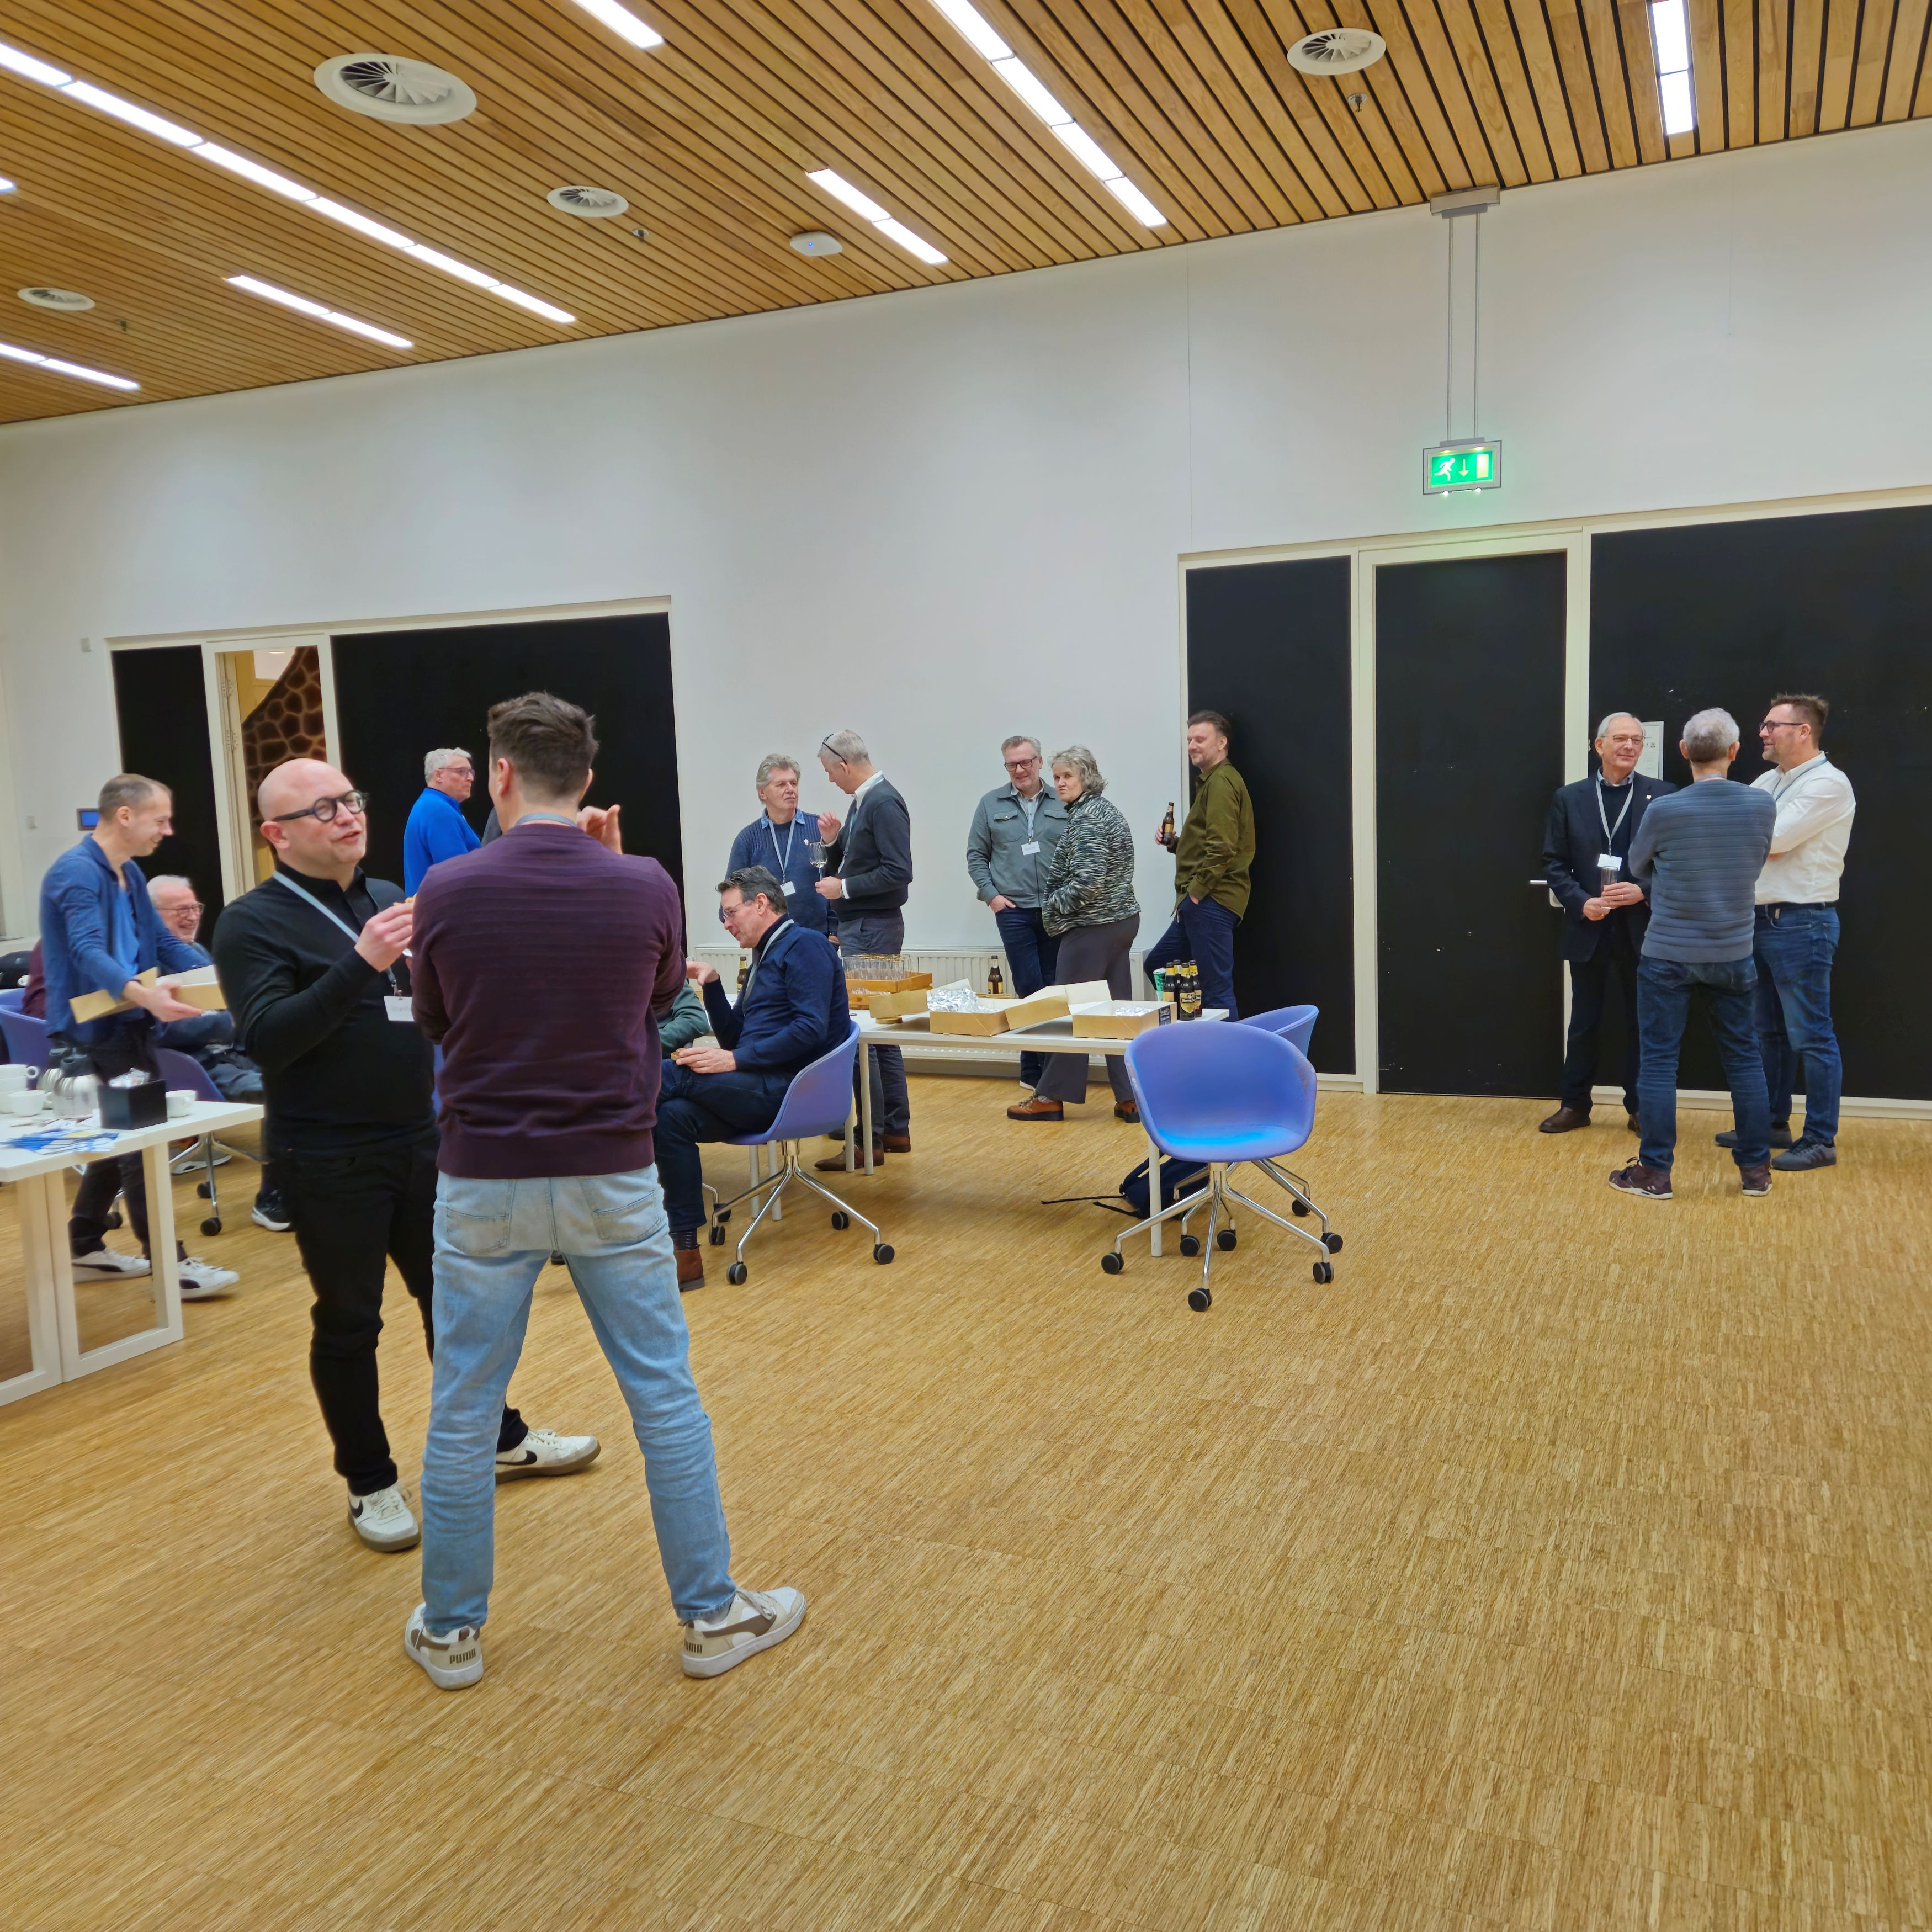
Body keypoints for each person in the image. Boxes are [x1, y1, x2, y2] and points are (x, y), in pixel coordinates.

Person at [403, 691, 803, 1691]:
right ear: (587, 782)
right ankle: (711, 1616)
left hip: (483, 1178)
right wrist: (621, 872)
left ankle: (451, 1632)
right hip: (612, 1172)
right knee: (663, 1395)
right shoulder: (645, 883)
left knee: (463, 1408)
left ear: (500, 774)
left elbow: (437, 1020)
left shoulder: (447, 888)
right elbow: (661, 996)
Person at [214, 758, 597, 1556]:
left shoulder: (386, 895)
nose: (348, 815)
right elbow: (268, 1039)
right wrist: (361, 960)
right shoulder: (251, 922)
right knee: (350, 1321)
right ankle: (369, 1479)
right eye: (324, 809)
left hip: (421, 1139)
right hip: (326, 1156)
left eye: (350, 799)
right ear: (276, 834)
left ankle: (497, 1438)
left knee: (456, 1305)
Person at [39, 774, 239, 1299]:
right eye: (161, 819)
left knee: (125, 1138)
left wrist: (222, 979)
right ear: (125, 815)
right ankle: (169, 1265)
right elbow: (85, 950)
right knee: (140, 1143)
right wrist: (144, 994)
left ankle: (85, 1241)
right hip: (96, 1029)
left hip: (127, 1022)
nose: (168, 831)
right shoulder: (76, 872)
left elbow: (162, 944)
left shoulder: (127, 870)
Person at [1611, 708, 1776, 1201]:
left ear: (1683, 752)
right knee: (1745, 1059)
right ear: (1734, 751)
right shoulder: (1761, 805)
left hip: (1667, 952)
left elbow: (1637, 865)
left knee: (1659, 1063)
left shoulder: (1665, 810)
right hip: (1733, 952)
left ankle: (1655, 1173)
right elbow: (1756, 860)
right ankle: (1756, 1172)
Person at [657, 866, 847, 1288]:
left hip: (791, 1091)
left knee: (666, 1077)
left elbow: (809, 1029)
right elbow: (735, 1038)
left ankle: (584, 1180)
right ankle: (685, 1251)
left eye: (730, 913)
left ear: (761, 904)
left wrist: (735, 1061)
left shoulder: (805, 945)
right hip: (757, 1087)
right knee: (671, 1116)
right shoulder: (764, 955)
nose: (726, 924)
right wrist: (712, 984)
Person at [1713, 694, 1856, 1174]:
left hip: (1802, 922)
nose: (1763, 733)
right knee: (1768, 1032)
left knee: (1811, 1036)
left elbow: (1771, 842)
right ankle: (1773, 1123)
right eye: (1764, 725)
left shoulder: (1828, 784)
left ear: (1804, 732)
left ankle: (1820, 1140)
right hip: (1760, 919)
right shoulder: (1769, 780)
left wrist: (1741, 833)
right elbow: (1740, 832)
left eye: (1773, 725)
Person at [1538, 715, 1675, 1134]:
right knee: (1584, 1021)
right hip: (1590, 926)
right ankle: (1575, 1105)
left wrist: (1643, 890)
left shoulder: (1664, 795)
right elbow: (1554, 863)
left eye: (1637, 740)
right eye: (1620, 739)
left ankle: (1641, 1108)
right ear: (1599, 746)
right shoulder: (1570, 798)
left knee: (1643, 1023)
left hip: (1642, 926)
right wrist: (1582, 902)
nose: (1629, 746)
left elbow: (1676, 861)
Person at [1007, 747, 1140, 1123]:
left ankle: (1050, 1096)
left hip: (1092, 927)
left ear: (1087, 777)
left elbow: (1088, 882)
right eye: (1057, 777)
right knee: (1115, 1014)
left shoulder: (1087, 819)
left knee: (1068, 1013)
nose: (1061, 783)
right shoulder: (1105, 810)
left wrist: (1052, 906)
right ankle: (1131, 1097)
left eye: (1068, 776)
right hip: (1120, 922)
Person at [814, 729, 912, 1170]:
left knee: (865, 1037)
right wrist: (834, 842)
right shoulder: (864, 802)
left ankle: (867, 1140)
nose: (831, 780)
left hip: (872, 928)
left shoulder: (883, 801)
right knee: (882, 1034)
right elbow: (860, 862)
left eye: (830, 772)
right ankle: (893, 1129)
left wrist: (845, 888)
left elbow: (898, 871)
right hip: (866, 926)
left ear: (844, 765)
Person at [966, 735, 1069, 1090]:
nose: (1020, 770)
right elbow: (976, 855)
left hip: (1057, 910)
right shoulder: (990, 803)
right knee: (1028, 986)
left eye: (1026, 762)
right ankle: (1034, 1073)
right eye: (1012, 764)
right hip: (1013, 912)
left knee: (1053, 989)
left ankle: (1045, 1071)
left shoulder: (1063, 799)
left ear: (1039, 762)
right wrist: (992, 897)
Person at [1144, 711, 1254, 1020]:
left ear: (1222, 743)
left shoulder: (1221, 783)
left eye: (1200, 739)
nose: (1192, 745)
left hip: (1211, 901)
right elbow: (1210, 844)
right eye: (1189, 740)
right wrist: (1175, 844)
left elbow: (1222, 848)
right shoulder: (1211, 782)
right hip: (1200, 903)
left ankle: (1225, 1051)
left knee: (1217, 990)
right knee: (1159, 965)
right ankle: (1192, 1036)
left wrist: (1196, 893)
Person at [726, 755, 830, 935]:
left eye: (794, 783)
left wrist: (835, 930)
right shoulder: (748, 840)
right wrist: (752, 933)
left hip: (819, 938)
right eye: (781, 785)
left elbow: (839, 878)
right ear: (762, 793)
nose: (790, 789)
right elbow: (729, 903)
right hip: (769, 942)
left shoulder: (819, 829)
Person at [402, 747, 480, 894]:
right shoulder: (438, 810)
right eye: (461, 772)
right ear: (439, 775)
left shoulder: (429, 805)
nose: (471, 778)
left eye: (471, 772)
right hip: (446, 906)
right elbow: (458, 876)